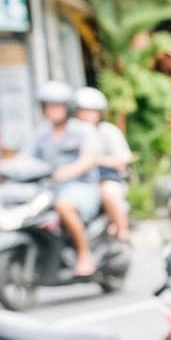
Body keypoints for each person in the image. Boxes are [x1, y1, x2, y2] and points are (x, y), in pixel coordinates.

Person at [29, 80, 105, 277]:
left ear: (67, 108)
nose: (51, 111)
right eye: (47, 106)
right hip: (49, 189)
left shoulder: (83, 130)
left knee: (63, 205)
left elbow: (89, 159)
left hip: (81, 187)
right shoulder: (40, 134)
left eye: (56, 106)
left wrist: (69, 171)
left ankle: (84, 254)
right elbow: (26, 160)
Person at [72, 87, 133, 245]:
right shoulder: (71, 132)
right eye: (83, 111)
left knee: (109, 193)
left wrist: (93, 160)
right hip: (78, 181)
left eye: (91, 111)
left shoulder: (108, 132)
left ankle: (122, 233)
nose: (87, 115)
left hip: (106, 178)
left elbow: (122, 161)